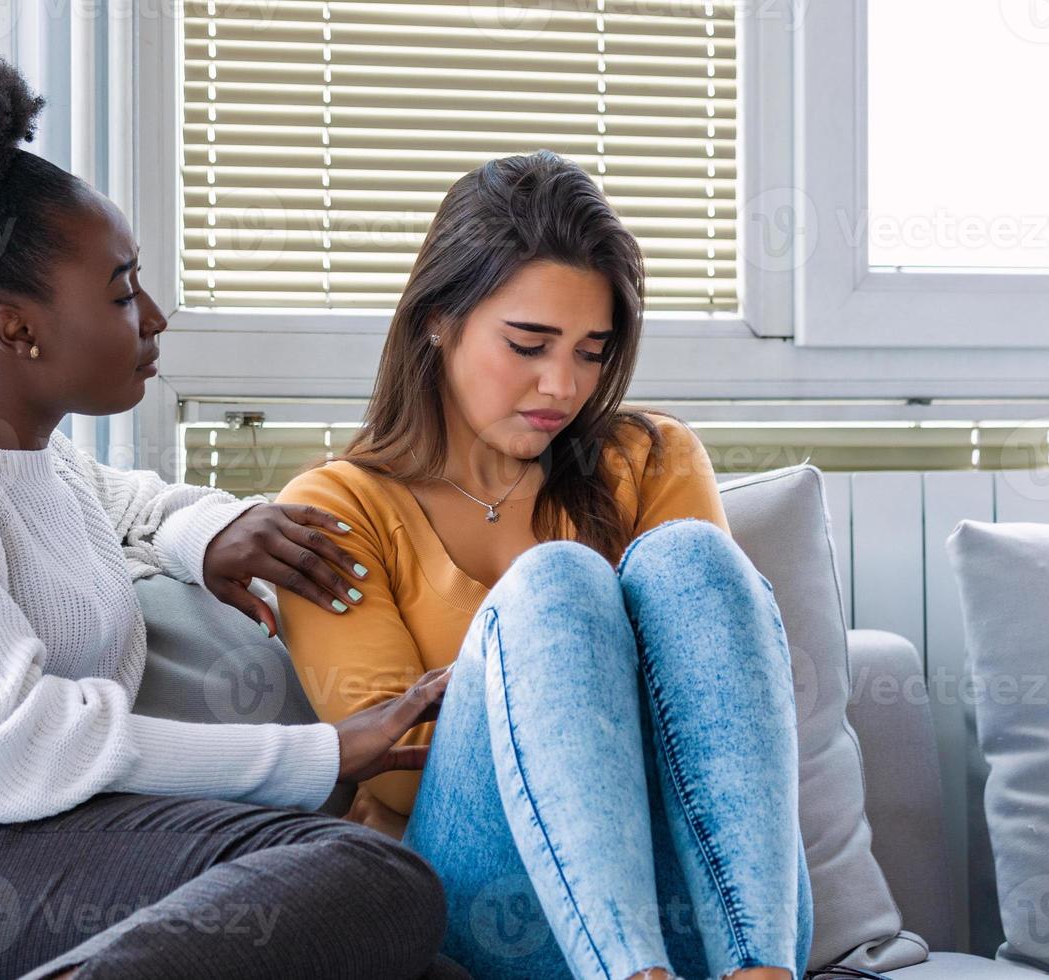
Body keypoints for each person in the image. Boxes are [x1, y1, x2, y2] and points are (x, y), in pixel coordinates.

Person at [0, 33, 469, 980]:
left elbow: (132, 505)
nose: (153, 316)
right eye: (121, 292)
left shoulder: (48, 467)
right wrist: (318, 755)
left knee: (424, 966)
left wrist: (209, 533)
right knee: (370, 875)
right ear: (18, 331)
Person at [273, 150, 814, 980]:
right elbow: (401, 773)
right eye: (528, 344)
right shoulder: (338, 509)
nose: (562, 385)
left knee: (689, 557)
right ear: (437, 319)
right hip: (493, 901)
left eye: (592, 351)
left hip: (705, 904)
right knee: (558, 583)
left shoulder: (651, 457)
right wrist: (550, 644)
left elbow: (715, 709)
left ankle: (761, 971)